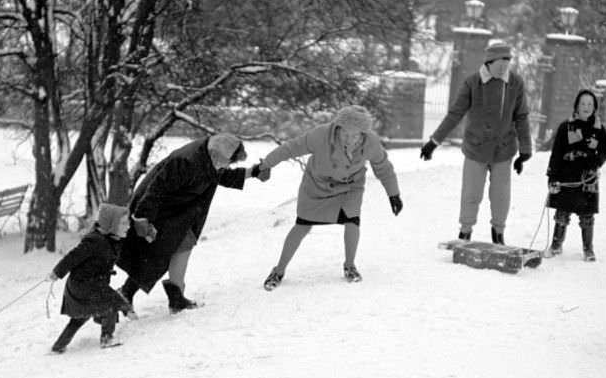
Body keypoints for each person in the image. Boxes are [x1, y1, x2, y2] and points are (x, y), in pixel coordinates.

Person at [116, 133, 269, 314]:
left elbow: (222, 176)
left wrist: (253, 172)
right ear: (216, 155)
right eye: (228, 162)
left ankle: (174, 297)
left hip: (181, 214)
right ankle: (128, 294)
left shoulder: (212, 157)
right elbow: (156, 189)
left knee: (179, 249)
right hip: (160, 211)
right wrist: (143, 219)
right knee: (157, 256)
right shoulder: (185, 161)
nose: (227, 165)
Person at [255, 104, 402, 289]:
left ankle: (350, 266)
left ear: (363, 134)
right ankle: (278, 270)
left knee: (352, 221)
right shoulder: (321, 136)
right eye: (345, 134)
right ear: (338, 128)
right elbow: (291, 148)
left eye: (355, 135)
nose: (350, 139)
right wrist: (266, 164)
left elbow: (384, 168)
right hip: (317, 186)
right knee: (302, 226)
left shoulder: (370, 143)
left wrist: (393, 195)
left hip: (350, 187)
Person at [420, 41, 532, 245]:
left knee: (501, 196)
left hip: (503, 149)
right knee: (471, 193)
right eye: (500, 62)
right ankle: (465, 231)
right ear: (489, 62)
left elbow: (522, 116)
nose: (504, 67)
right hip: (476, 147)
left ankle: (498, 233)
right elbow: (455, 114)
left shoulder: (515, 83)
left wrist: (525, 151)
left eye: (507, 62)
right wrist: (434, 141)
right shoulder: (473, 83)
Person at [48, 203, 133, 353]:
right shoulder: (95, 240)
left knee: (81, 316)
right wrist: (57, 272)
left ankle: (59, 345)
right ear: (111, 224)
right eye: (124, 223)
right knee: (111, 303)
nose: (128, 226)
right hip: (83, 285)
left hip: (90, 284)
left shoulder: (112, 239)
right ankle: (107, 337)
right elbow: (73, 257)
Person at [544, 89, 606, 261]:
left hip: (588, 177)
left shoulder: (600, 129)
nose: (586, 107)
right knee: (562, 213)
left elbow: (604, 152)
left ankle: (588, 249)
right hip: (567, 176)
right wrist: (552, 175)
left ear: (594, 107)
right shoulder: (566, 127)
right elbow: (556, 153)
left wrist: (595, 164)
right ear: (576, 106)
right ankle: (556, 245)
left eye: (589, 104)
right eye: (583, 104)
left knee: (587, 216)